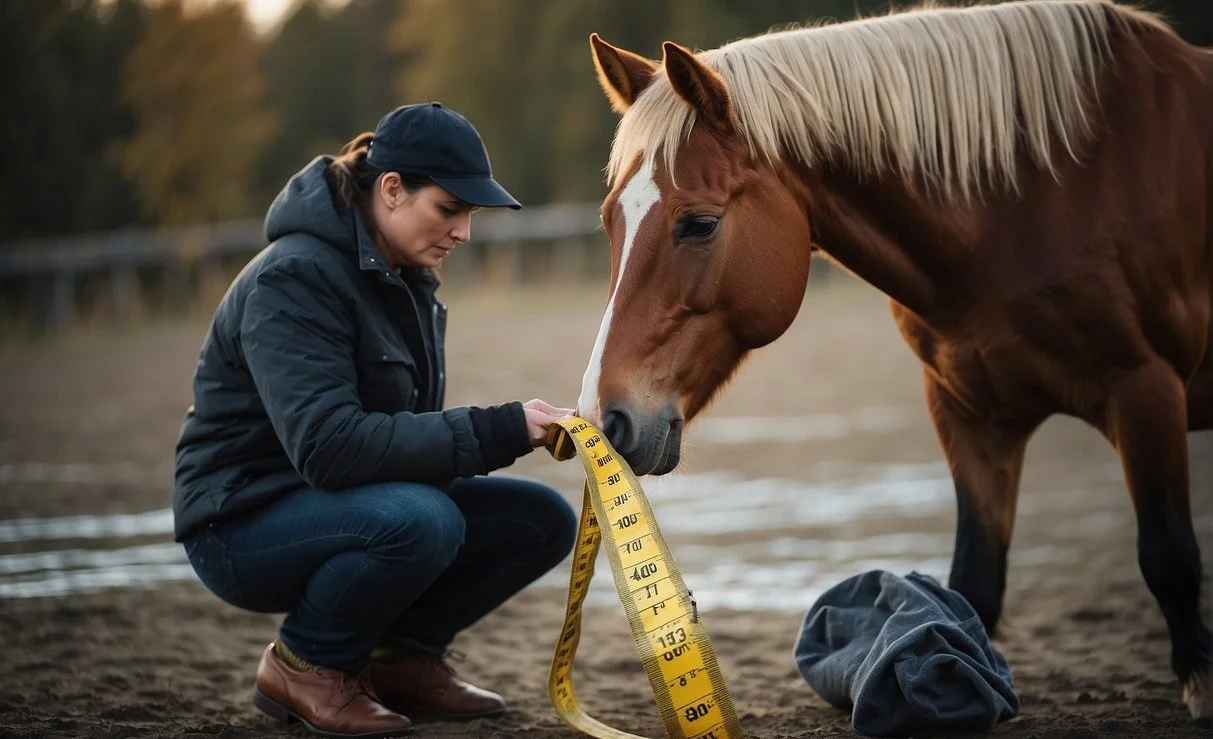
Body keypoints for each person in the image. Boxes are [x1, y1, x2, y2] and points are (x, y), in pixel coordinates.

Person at [172, 102, 579, 739]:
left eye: (471, 214)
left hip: (333, 501)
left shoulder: (399, 273)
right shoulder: (294, 276)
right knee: (423, 521)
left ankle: (399, 660)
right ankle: (305, 664)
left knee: (541, 521)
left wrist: (519, 429)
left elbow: (391, 437)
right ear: (391, 189)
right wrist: (499, 428)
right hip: (239, 523)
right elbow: (331, 447)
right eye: (451, 208)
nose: (465, 232)